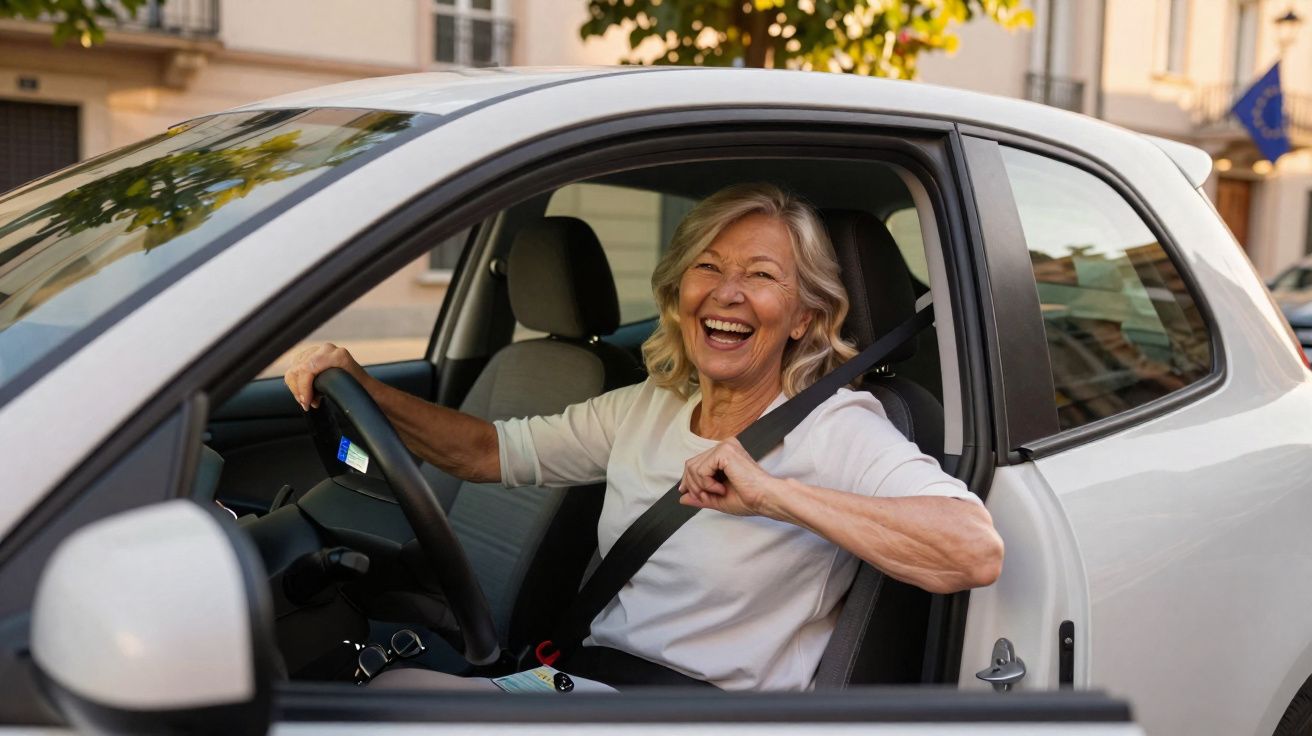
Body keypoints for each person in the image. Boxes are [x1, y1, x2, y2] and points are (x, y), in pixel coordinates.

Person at [284, 183, 1003, 691]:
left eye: (761, 276)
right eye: (708, 267)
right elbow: (483, 452)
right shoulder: (650, 406)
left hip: (691, 716)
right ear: (678, 292)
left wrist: (773, 495)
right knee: (368, 685)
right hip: (589, 685)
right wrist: (361, 385)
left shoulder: (839, 426)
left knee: (384, 704)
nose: (727, 292)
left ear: (805, 317)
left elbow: (973, 548)